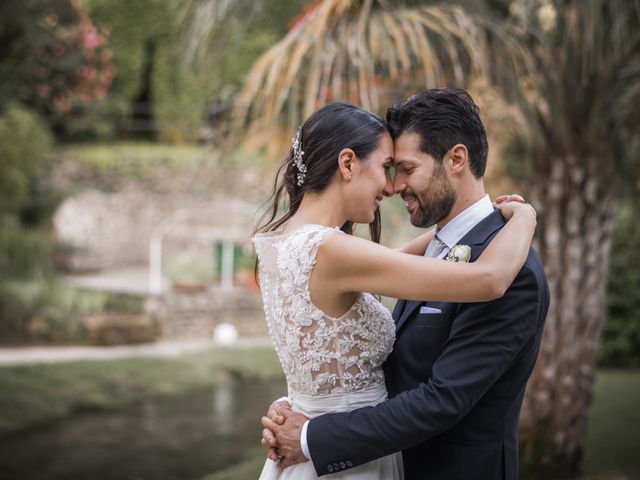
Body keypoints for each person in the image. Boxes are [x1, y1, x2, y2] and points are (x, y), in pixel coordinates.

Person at [253, 97, 540, 480]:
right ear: (347, 163)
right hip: (351, 460)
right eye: (389, 168)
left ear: (456, 159)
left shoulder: (285, 245)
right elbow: (487, 278)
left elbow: (441, 395)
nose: (392, 186)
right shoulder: (334, 251)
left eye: (404, 169)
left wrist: (302, 411)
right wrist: (525, 215)